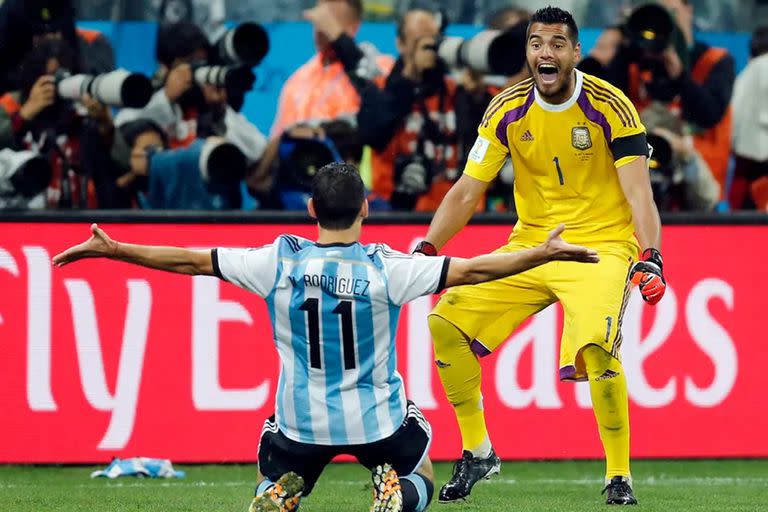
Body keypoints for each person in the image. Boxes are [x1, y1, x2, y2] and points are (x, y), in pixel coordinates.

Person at [53, 162, 598, 512]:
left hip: (299, 422)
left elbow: (192, 260)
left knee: (283, 465)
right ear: (365, 208)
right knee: (423, 465)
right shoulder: (390, 269)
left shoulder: (277, 262)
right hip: (378, 421)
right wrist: (543, 253)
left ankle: (280, 491)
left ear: (311, 210)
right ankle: (399, 495)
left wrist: (118, 249)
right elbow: (478, 270)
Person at [414, 7, 665, 505]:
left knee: (596, 347)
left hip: (601, 246)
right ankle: (477, 450)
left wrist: (650, 255)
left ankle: (619, 475)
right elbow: (467, 191)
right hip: (532, 244)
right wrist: (428, 248)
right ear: (527, 52)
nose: (544, 53)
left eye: (555, 44)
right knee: (445, 323)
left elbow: (640, 194)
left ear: (575, 53)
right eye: (535, 43)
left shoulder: (611, 106)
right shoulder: (505, 109)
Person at [357, 8, 460, 212]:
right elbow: (372, 134)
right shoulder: (379, 88)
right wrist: (408, 79)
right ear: (400, 44)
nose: (427, 47)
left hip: (449, 210)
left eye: (432, 40)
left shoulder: (453, 90)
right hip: (393, 210)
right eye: (418, 41)